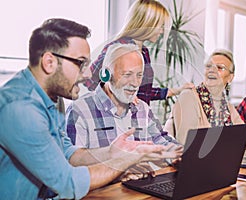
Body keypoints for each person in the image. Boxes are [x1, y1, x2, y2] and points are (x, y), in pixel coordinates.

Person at [0, 18, 181, 200]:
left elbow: (70, 155)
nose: (88, 74)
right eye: (81, 63)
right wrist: (127, 160)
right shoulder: (21, 108)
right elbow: (68, 183)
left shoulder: (51, 101)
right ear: (49, 63)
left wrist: (112, 152)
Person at [66, 43, 181, 180]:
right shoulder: (80, 110)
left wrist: (180, 155)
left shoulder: (142, 109)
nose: (135, 83)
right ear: (106, 74)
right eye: (127, 74)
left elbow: (161, 140)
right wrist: (120, 169)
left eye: (139, 75)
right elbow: (73, 166)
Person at [163, 49, 246, 150]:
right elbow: (188, 144)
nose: (212, 70)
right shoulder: (188, 97)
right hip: (194, 172)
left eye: (220, 68)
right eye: (209, 66)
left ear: (230, 78)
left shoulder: (227, 108)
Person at [84, 0, 194, 105]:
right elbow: (89, 80)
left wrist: (177, 90)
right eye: (160, 26)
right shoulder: (117, 48)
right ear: (147, 23)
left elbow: (143, 93)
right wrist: (117, 97)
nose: (161, 31)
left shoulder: (144, 52)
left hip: (138, 120)